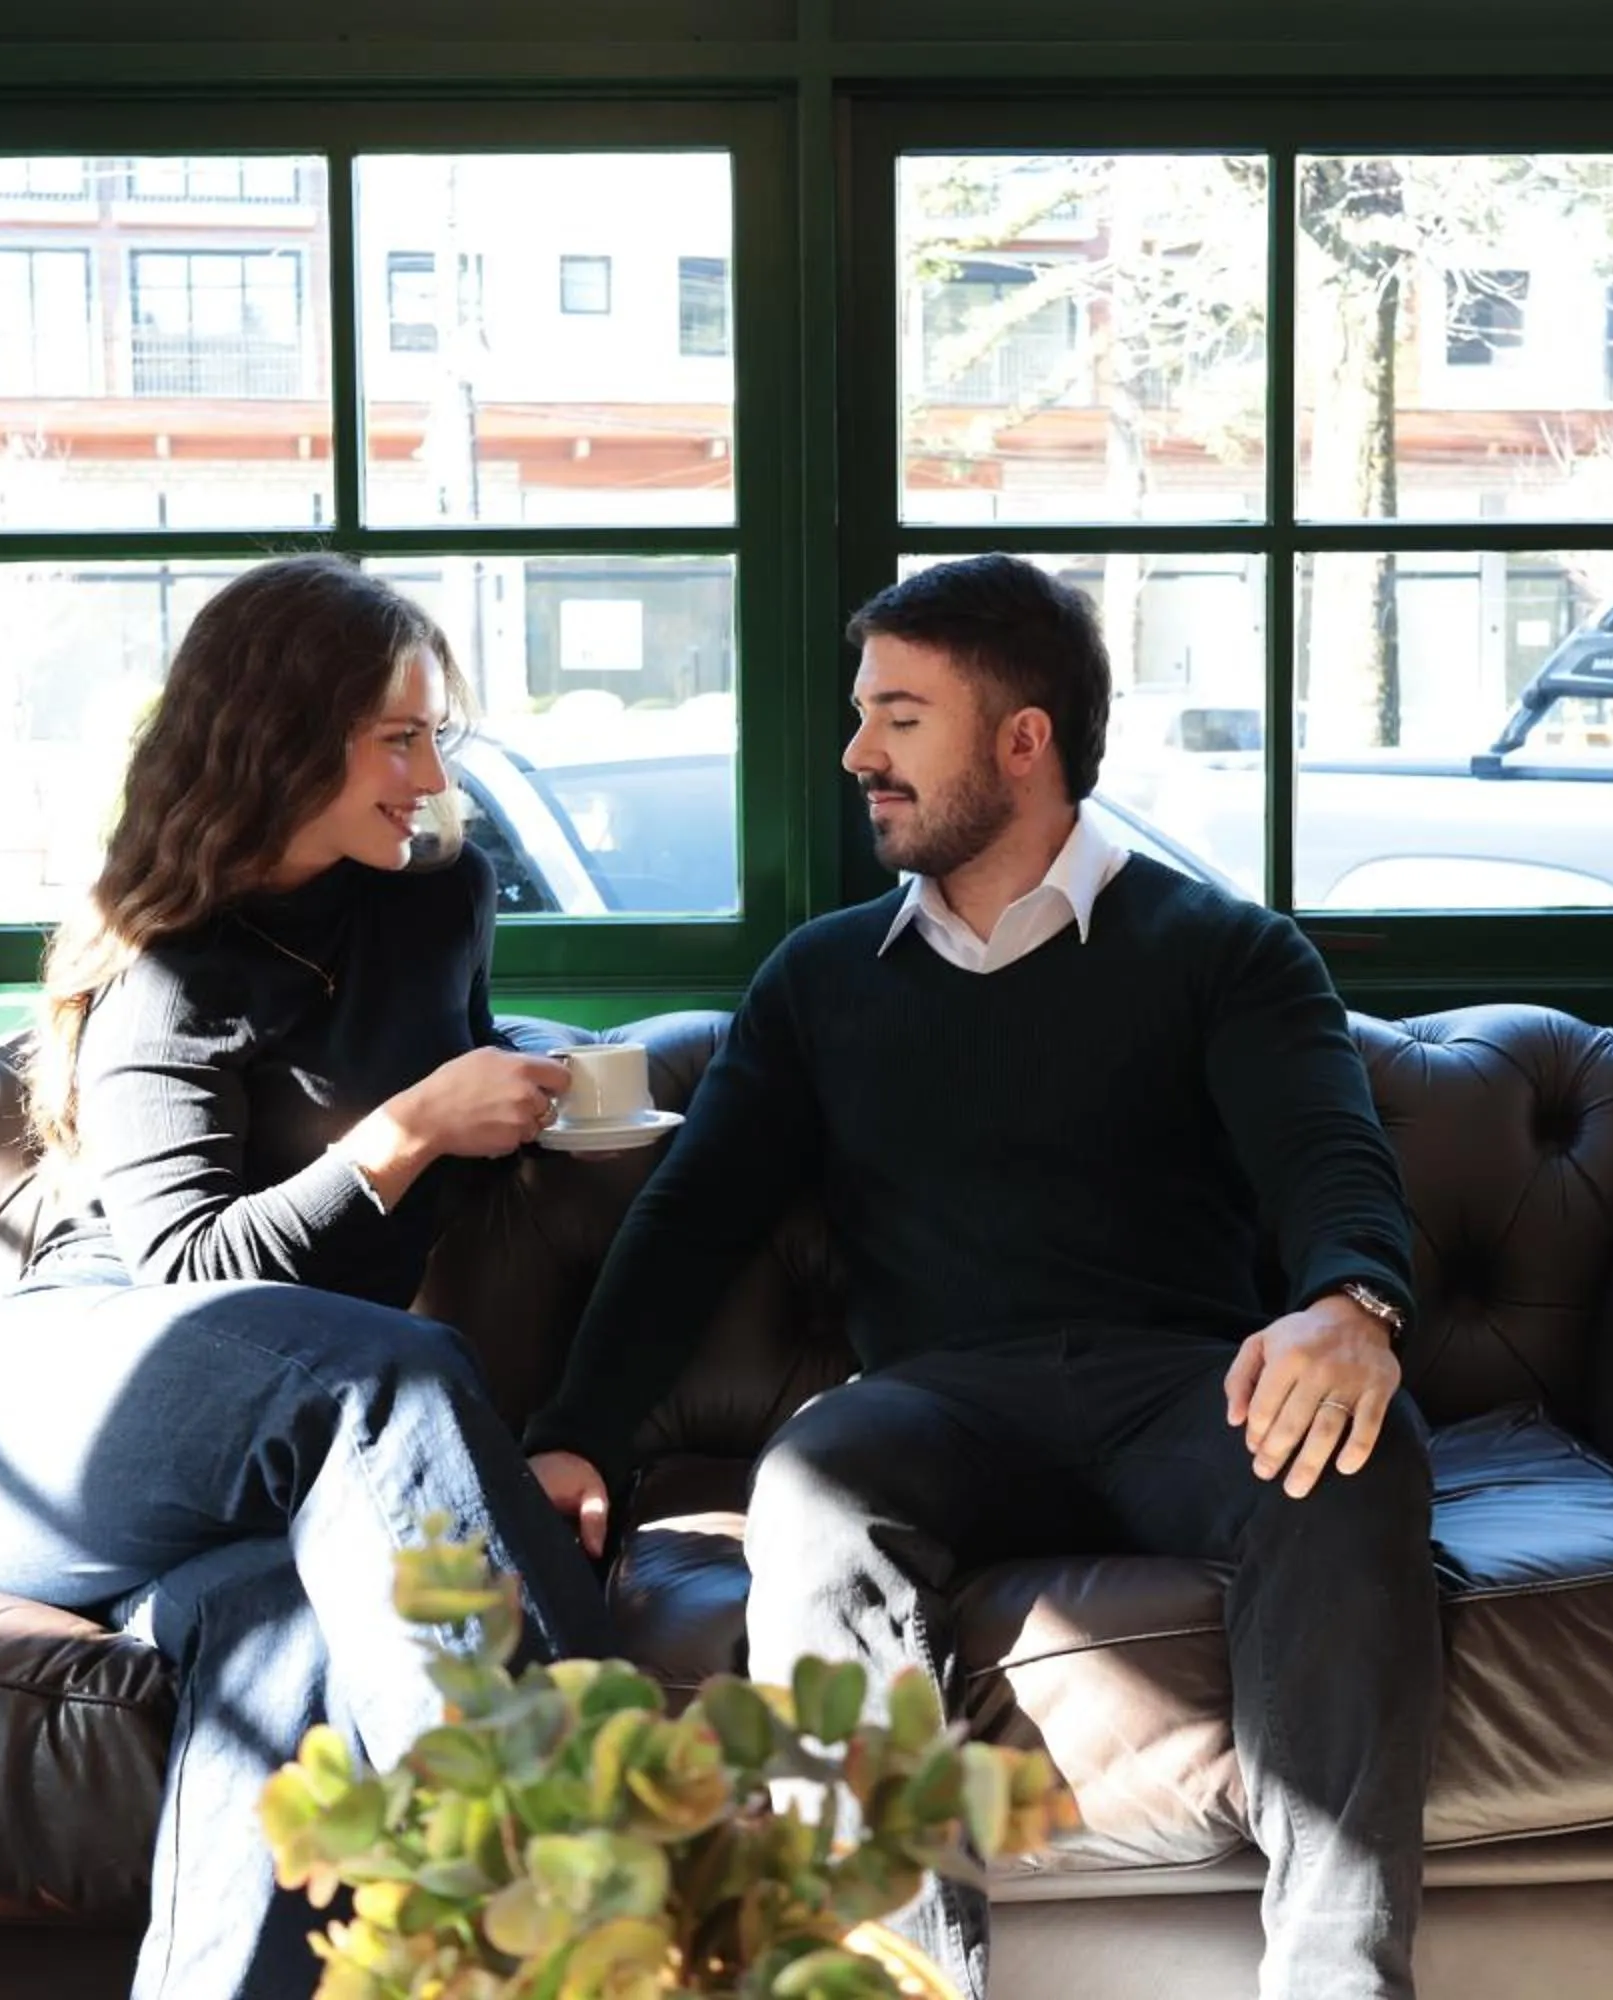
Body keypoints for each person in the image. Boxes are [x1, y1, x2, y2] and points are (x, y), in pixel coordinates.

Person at [523, 555, 1440, 2000]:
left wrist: (1352, 1306)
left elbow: (1327, 1153)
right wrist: (578, 1429)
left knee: (1353, 1454)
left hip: (1181, 1390)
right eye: (862, 714)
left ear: (1024, 740)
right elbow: (692, 1219)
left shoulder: (1227, 952)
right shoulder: (821, 980)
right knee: (808, 1493)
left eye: (900, 718)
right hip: (932, 1403)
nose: (857, 754)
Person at [0, 554, 615, 2000]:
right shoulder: (170, 963)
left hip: (283, 1452)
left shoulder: (440, 899)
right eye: (397, 740)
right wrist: (409, 1130)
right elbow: (189, 1273)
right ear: (285, 739)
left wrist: (492, 1456)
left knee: (282, 1645)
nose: (432, 777)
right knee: (389, 1376)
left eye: (436, 736)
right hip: (54, 1410)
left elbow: (418, 1207)